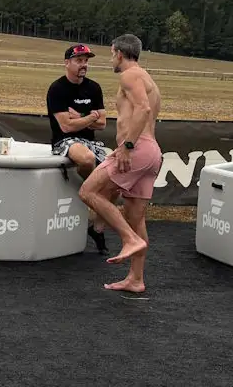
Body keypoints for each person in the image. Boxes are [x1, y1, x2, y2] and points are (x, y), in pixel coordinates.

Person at [77, 33, 163, 294]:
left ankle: (128, 239)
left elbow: (143, 110)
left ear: (119, 53)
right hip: (151, 152)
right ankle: (136, 279)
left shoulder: (130, 75)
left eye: (111, 54)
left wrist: (126, 147)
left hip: (136, 149)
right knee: (136, 219)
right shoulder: (149, 79)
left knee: (88, 191)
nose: (111, 59)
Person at [46, 43, 110, 251]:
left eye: (86, 61)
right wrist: (92, 116)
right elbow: (65, 126)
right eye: (79, 61)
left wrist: (82, 117)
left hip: (90, 140)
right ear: (67, 63)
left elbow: (103, 124)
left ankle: (97, 228)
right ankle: (90, 193)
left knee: (116, 176)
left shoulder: (94, 88)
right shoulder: (57, 89)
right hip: (65, 141)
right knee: (87, 159)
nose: (84, 65)